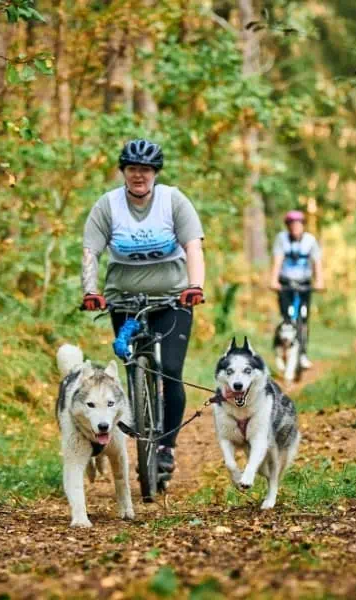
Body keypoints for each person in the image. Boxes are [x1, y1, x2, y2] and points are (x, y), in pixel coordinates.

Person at [81, 138, 205, 479]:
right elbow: (91, 251)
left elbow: (193, 246)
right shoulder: (107, 206)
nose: (139, 175)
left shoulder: (173, 200)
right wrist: (90, 290)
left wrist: (195, 286)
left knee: (171, 370)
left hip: (172, 299)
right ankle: (135, 416)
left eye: (146, 170)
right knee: (132, 364)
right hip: (124, 299)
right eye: (133, 169)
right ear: (123, 172)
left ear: (155, 173)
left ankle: (165, 447)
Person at [269, 210, 324, 369]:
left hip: (304, 283)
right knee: (286, 318)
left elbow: (317, 262)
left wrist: (319, 281)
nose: (295, 227)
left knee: (303, 320)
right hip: (285, 282)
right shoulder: (282, 239)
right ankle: (280, 350)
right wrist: (273, 280)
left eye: (298, 224)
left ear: (303, 226)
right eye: (291, 225)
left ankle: (303, 353)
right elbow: (277, 260)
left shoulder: (310, 240)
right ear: (287, 226)